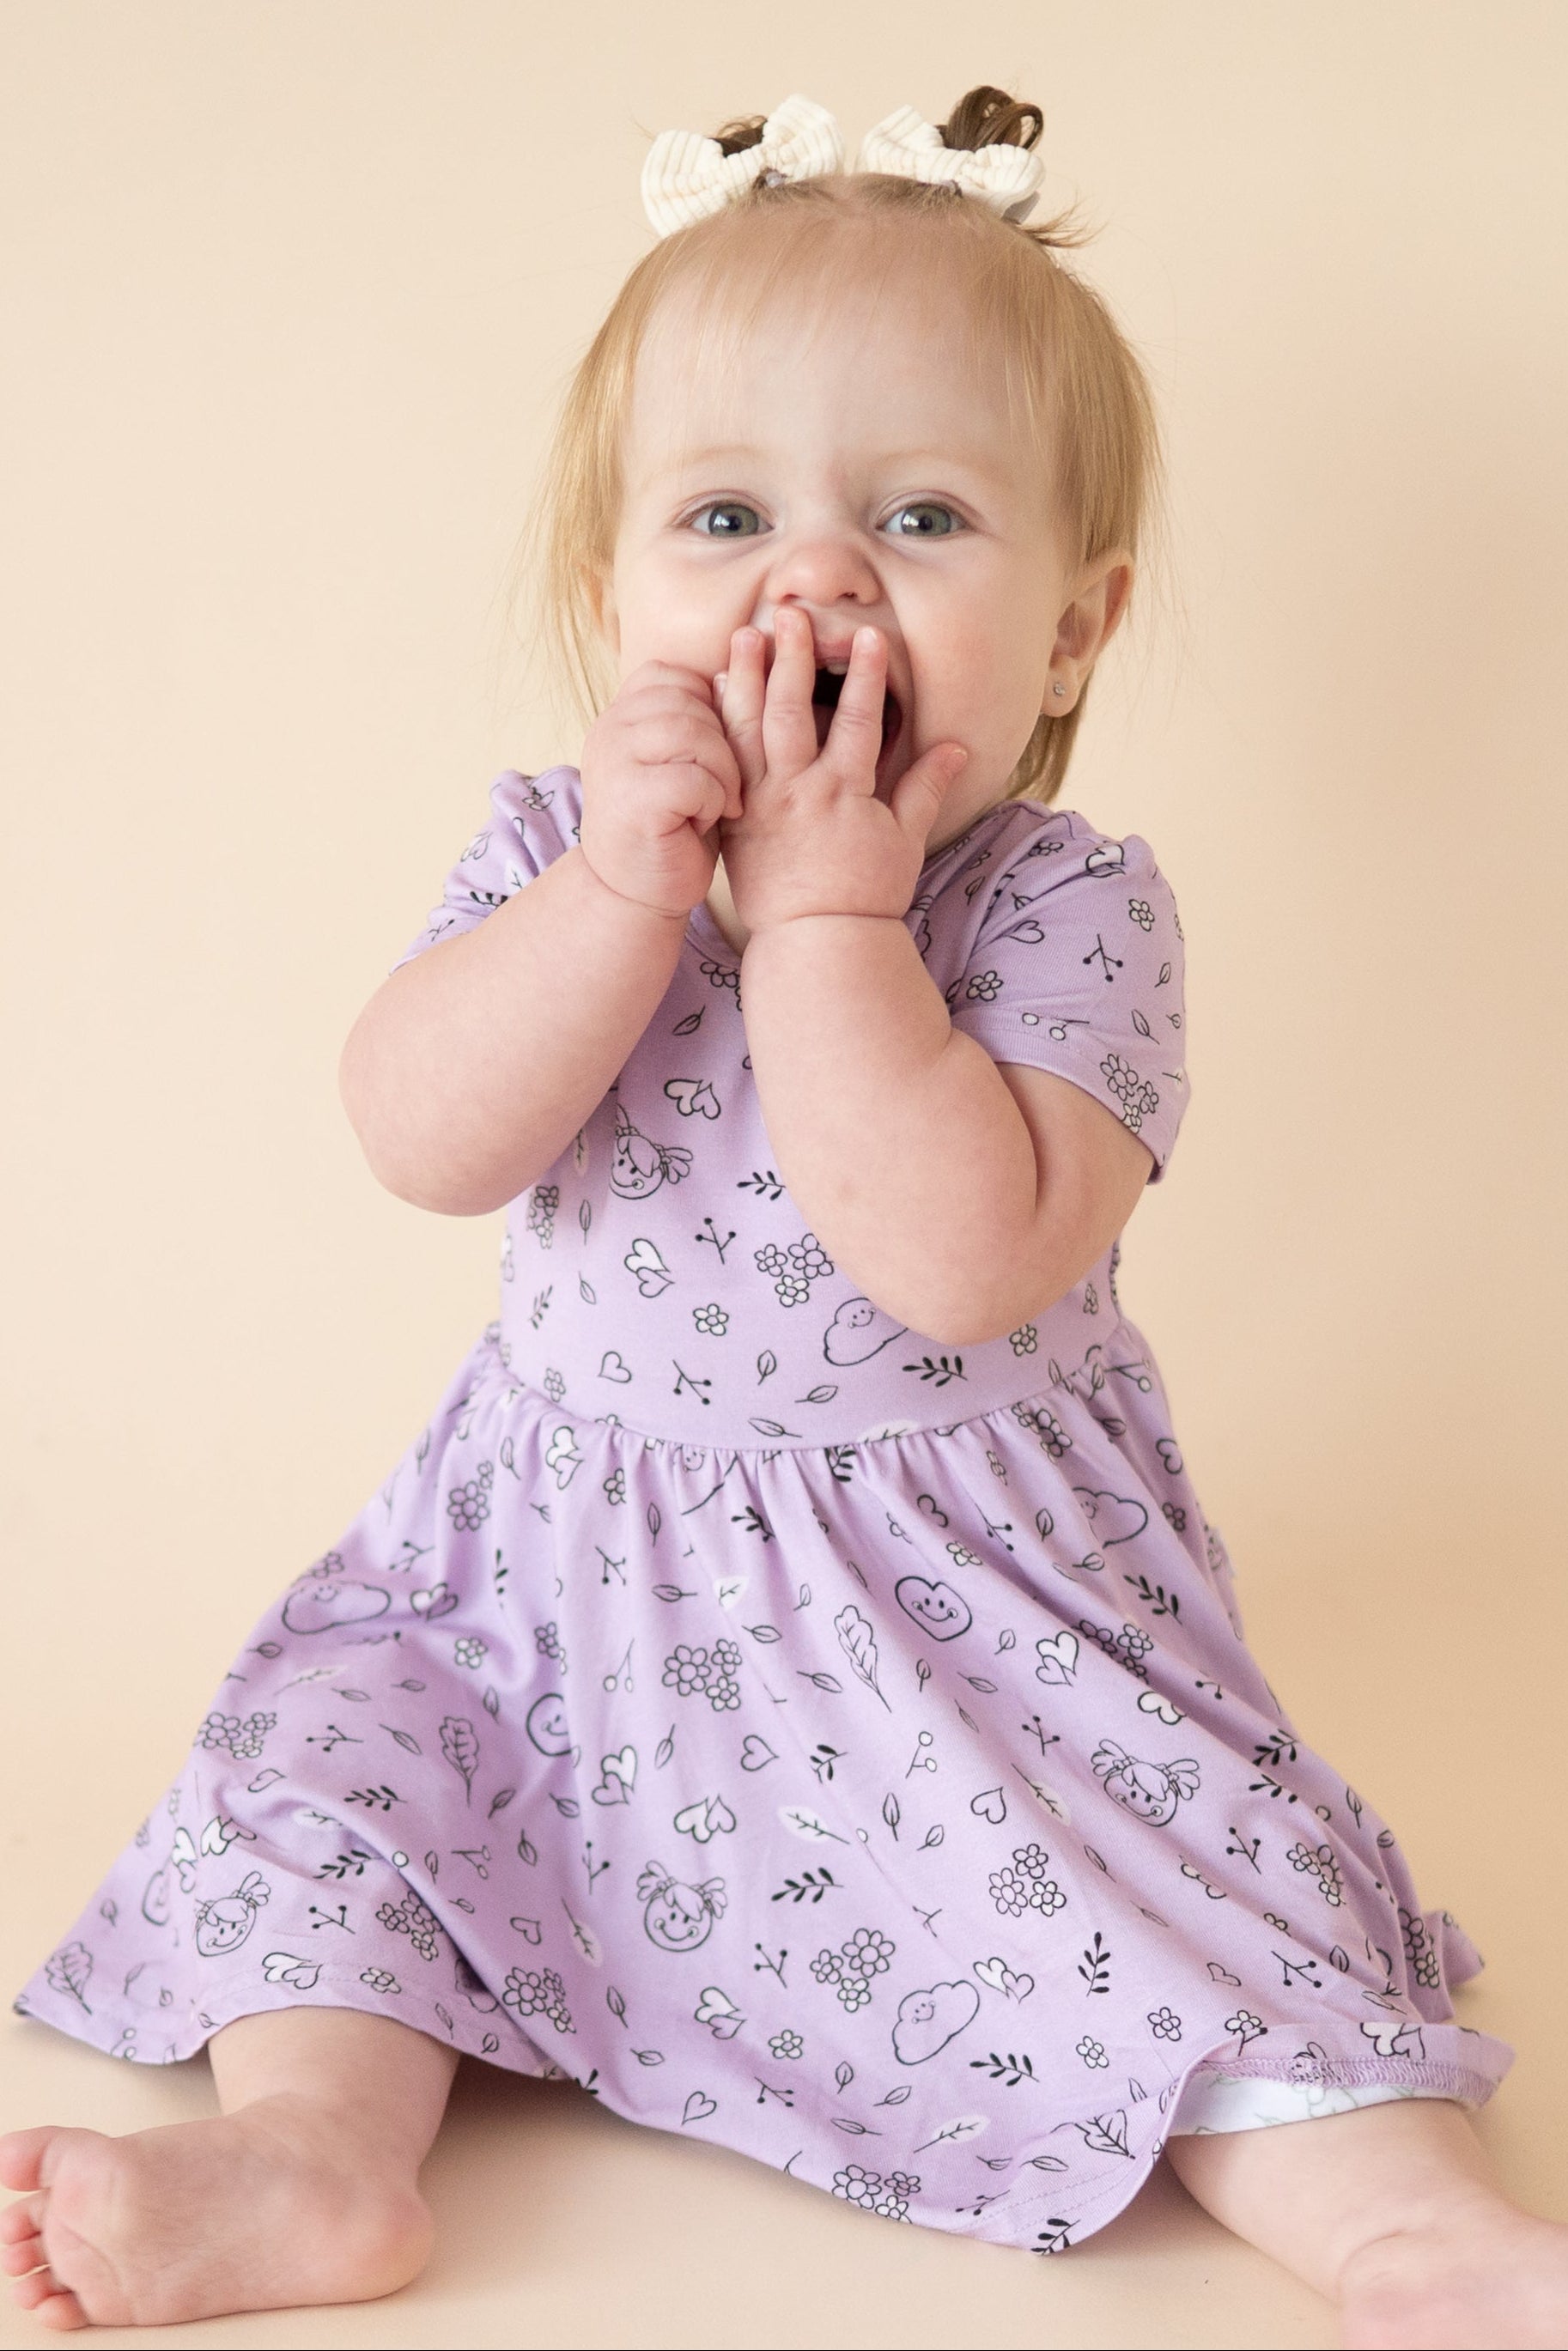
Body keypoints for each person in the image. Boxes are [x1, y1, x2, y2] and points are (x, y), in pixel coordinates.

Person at [6, 84, 1566, 2348]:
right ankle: (318, 2150)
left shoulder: (1064, 912)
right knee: (323, 1779)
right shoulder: (552, 854)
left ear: (1070, 630)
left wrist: (831, 915)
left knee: (1208, 1916)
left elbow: (960, 1259)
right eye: (725, 516)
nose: (812, 582)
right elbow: (420, 1133)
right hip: (539, 1625)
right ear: (610, 602)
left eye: (920, 518)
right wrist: (612, 895)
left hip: (967, 1664)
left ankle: (1404, 2233)